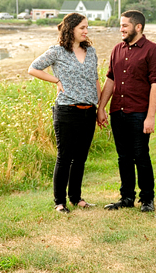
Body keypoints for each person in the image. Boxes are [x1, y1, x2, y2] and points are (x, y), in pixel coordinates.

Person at [28, 12, 102, 214]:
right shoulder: (57, 52)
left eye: (87, 27)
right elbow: (33, 69)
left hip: (89, 111)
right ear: (71, 29)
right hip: (66, 112)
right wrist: (56, 81)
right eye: (82, 28)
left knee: (80, 158)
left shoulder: (91, 52)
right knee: (64, 157)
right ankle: (59, 202)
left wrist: (101, 107)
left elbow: (95, 80)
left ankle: (76, 198)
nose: (86, 31)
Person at [97, 10, 156, 213]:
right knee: (123, 157)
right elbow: (110, 80)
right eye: (121, 25)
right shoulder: (117, 49)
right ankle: (126, 197)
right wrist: (101, 108)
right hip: (117, 111)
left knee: (141, 156)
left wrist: (150, 117)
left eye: (125, 25)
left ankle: (147, 200)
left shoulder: (153, 51)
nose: (121, 29)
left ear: (138, 27)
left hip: (139, 113)